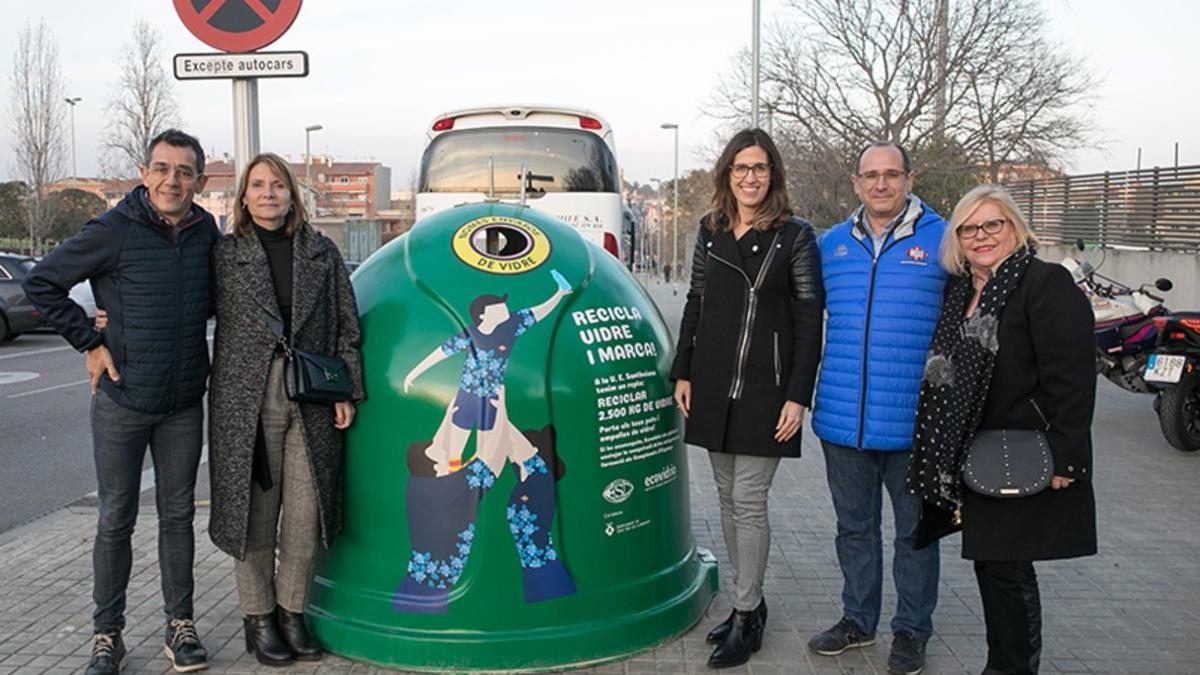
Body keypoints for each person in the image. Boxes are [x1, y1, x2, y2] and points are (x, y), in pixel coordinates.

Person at [22, 129, 217, 674]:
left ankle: (181, 627)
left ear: (198, 179)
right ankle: (107, 635)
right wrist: (91, 340)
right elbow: (43, 284)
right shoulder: (111, 230)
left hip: (182, 402)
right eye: (162, 168)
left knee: (177, 518)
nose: (171, 180)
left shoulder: (206, 230)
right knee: (116, 520)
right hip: (123, 402)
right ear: (144, 171)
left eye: (183, 171)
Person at [909, 185, 1096, 675]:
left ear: (1015, 227)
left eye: (993, 224)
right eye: (969, 228)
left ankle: (1012, 667)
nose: (981, 236)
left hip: (1020, 449)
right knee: (991, 564)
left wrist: (1067, 457)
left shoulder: (1043, 282)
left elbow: (1073, 380)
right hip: (972, 450)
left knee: (1008, 568)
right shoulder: (962, 290)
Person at [670, 128, 823, 669]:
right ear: (727, 175)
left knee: (749, 501)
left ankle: (745, 610)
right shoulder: (711, 230)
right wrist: (682, 371)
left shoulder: (796, 236)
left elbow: (808, 318)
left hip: (768, 390)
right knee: (726, 496)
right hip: (712, 384)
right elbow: (696, 299)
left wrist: (797, 396)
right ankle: (746, 608)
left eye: (759, 168)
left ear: (773, 174)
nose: (750, 177)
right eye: (740, 168)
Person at [206, 153, 364, 667]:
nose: (268, 193)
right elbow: (179, 305)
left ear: (292, 193)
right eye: (258, 185)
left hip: (313, 396)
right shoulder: (224, 255)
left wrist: (347, 390)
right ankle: (258, 621)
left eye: (278, 184)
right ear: (243, 197)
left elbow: (346, 326)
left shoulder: (322, 252)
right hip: (245, 401)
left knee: (305, 515)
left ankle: (292, 614)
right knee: (252, 518)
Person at [809, 142, 947, 675]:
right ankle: (857, 620)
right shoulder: (831, 245)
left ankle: (911, 630)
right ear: (855, 182)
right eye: (872, 175)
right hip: (842, 421)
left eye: (892, 175)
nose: (882, 184)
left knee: (915, 534)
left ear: (910, 179)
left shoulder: (944, 240)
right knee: (854, 531)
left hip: (915, 424)